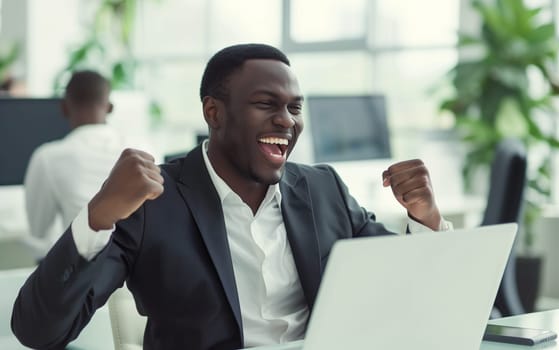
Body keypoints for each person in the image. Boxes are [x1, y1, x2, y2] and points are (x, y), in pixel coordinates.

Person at [12, 44, 450, 350]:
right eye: (266, 103)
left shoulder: (323, 189)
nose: (286, 120)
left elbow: (403, 289)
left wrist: (425, 220)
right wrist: (98, 216)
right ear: (213, 113)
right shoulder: (153, 204)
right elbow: (39, 331)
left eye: (295, 108)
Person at [23, 70, 125, 258]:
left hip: (85, 275)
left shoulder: (48, 157)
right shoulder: (144, 150)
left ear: (63, 108)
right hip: (137, 280)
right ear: (110, 107)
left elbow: (38, 231)